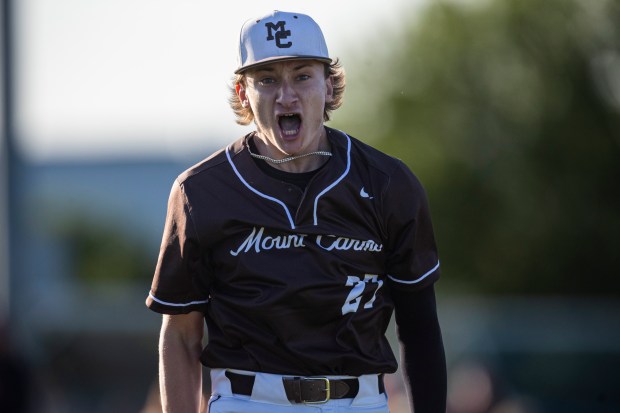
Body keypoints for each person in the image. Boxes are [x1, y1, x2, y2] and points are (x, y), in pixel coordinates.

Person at [146, 10, 446, 413]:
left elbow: (420, 326)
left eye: (302, 75)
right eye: (267, 79)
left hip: (359, 403)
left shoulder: (387, 183)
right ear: (243, 94)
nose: (286, 96)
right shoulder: (200, 192)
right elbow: (181, 334)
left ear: (328, 84)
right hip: (247, 401)